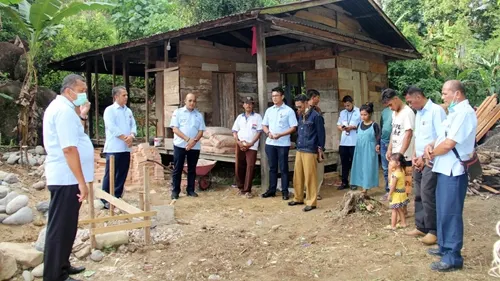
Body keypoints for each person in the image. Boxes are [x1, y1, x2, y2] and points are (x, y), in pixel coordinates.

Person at [43, 74, 93, 281]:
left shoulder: (67, 110)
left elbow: (75, 137)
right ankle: (55, 275)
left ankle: (62, 265)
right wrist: (82, 182)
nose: (84, 95)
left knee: (67, 225)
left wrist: (82, 116)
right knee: (60, 227)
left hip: (67, 177)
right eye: (81, 91)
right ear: (68, 91)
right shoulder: (62, 111)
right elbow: (69, 149)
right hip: (66, 178)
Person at [425, 80, 477, 272]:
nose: (443, 96)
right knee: (443, 210)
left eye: (446, 93)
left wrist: (430, 153)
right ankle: (445, 247)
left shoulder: (465, 113)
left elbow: (449, 144)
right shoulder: (454, 113)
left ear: (457, 94)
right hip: (444, 168)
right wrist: (431, 144)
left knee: (451, 214)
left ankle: (453, 257)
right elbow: (442, 137)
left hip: (454, 170)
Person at [404, 86, 446, 246]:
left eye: (410, 101)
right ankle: (421, 225)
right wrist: (415, 156)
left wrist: (423, 157)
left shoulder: (436, 111)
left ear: (417, 97)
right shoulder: (419, 113)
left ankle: (433, 230)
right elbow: (418, 137)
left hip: (431, 160)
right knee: (419, 194)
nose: (409, 105)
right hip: (419, 160)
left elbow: (442, 137)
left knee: (428, 193)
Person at [101, 86, 137, 209]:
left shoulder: (128, 111)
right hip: (113, 147)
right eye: (123, 95)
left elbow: (133, 125)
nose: (126, 97)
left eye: (126, 95)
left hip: (126, 148)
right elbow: (112, 127)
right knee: (110, 173)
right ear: (116, 97)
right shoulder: (109, 110)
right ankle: (105, 197)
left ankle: (117, 195)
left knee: (122, 172)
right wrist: (124, 138)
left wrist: (132, 135)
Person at [288, 94, 325, 212]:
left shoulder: (316, 116)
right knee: (297, 175)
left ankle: (311, 201)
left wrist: (320, 149)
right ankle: (298, 197)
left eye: (299, 106)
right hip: (300, 148)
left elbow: (321, 134)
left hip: (310, 149)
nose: (298, 109)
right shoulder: (301, 116)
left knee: (310, 177)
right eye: (296, 107)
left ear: (305, 103)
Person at [261, 87, 298, 200]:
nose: (274, 98)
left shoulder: (288, 111)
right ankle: (272, 189)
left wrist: (280, 135)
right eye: (272, 96)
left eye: (276, 96)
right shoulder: (269, 110)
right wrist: (268, 133)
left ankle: (284, 191)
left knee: (283, 168)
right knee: (272, 167)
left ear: (282, 96)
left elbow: (293, 127)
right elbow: (264, 125)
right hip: (270, 142)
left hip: (283, 143)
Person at [170, 93, 206, 199]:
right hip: (180, 145)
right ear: (185, 101)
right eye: (190, 100)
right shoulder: (178, 112)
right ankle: (175, 191)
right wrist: (187, 140)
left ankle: (190, 190)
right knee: (178, 168)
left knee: (192, 169)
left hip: (194, 146)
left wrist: (193, 141)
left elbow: (201, 131)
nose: (192, 103)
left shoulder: (198, 115)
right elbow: (175, 129)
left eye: (194, 101)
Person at [383, 88, 415, 197]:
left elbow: (408, 134)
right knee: (394, 181)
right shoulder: (394, 113)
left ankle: (404, 210)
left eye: (391, 105)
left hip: (405, 156)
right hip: (395, 154)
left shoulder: (408, 112)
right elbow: (394, 132)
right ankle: (398, 208)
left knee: (405, 184)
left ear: (396, 99)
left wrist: (400, 154)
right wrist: (389, 149)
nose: (390, 108)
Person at [232, 97, 262, 198]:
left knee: (250, 166)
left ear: (253, 105)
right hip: (240, 144)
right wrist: (238, 142)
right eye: (246, 103)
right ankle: (240, 187)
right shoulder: (240, 117)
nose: (248, 105)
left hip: (252, 145)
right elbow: (234, 131)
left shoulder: (257, 117)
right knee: (239, 165)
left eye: (250, 103)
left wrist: (251, 143)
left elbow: (259, 132)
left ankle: (247, 190)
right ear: (243, 105)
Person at [350, 103, 380, 193]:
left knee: (368, 167)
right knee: (359, 167)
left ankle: (365, 187)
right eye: (361, 114)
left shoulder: (374, 125)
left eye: (365, 114)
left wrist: (377, 145)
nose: (363, 116)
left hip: (369, 149)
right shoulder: (359, 124)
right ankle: (360, 184)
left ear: (370, 114)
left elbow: (378, 136)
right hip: (359, 149)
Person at [336, 95, 361, 190]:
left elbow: (362, 125)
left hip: (354, 142)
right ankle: (344, 181)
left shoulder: (359, 112)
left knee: (354, 163)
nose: (347, 107)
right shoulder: (342, 113)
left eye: (348, 105)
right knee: (344, 163)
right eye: (345, 106)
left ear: (352, 103)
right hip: (344, 142)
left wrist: (352, 127)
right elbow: (338, 124)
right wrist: (342, 128)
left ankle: (354, 182)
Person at [385, 153, 410, 230]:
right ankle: (403, 223)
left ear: (398, 163)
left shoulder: (395, 175)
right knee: (400, 209)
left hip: (396, 194)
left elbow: (393, 186)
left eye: (391, 161)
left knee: (394, 210)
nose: (389, 162)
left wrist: (389, 194)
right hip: (402, 193)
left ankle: (393, 225)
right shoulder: (401, 171)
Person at [307, 89, 324, 200]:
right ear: (314, 97)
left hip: (315, 143)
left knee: (317, 169)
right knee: (315, 170)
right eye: (318, 97)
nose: (319, 100)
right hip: (310, 144)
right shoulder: (305, 111)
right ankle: (312, 191)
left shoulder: (317, 110)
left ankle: (315, 191)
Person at [379, 101, 393, 201]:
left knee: (394, 167)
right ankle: (388, 190)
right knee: (385, 167)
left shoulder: (398, 111)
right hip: (384, 141)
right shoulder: (384, 111)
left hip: (394, 143)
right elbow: (382, 125)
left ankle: (395, 191)